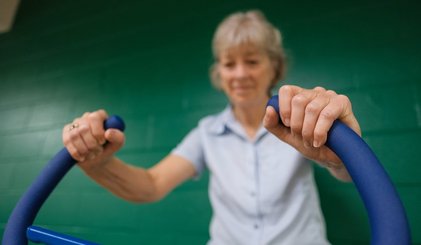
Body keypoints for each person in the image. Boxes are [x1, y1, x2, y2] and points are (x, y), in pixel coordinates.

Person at [62, 10, 361, 245]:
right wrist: (98, 165)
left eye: (252, 61)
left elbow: (348, 174)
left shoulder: (300, 120)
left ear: (275, 67)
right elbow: (151, 186)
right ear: (218, 73)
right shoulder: (206, 132)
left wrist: (339, 158)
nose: (240, 73)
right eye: (229, 64)